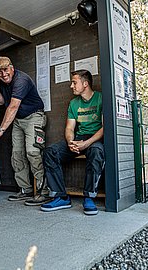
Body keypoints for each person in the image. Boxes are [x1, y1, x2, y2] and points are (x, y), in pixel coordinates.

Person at [40, 70, 104, 215]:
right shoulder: (73, 103)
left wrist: (86, 143)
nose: (71, 85)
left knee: (96, 151)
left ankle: (89, 197)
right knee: (50, 152)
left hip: (94, 139)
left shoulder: (101, 98)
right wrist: (70, 142)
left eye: (74, 82)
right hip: (78, 138)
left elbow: (104, 128)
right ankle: (61, 196)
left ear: (85, 84)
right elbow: (69, 128)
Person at [0, 56, 51, 206]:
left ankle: (45, 192)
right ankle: (26, 189)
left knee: (33, 152)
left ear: (12, 68)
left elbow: (13, 106)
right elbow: (2, 102)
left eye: (5, 70)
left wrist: (1, 130)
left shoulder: (21, 80)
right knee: (17, 155)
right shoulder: (3, 83)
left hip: (34, 117)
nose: (3, 74)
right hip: (18, 120)